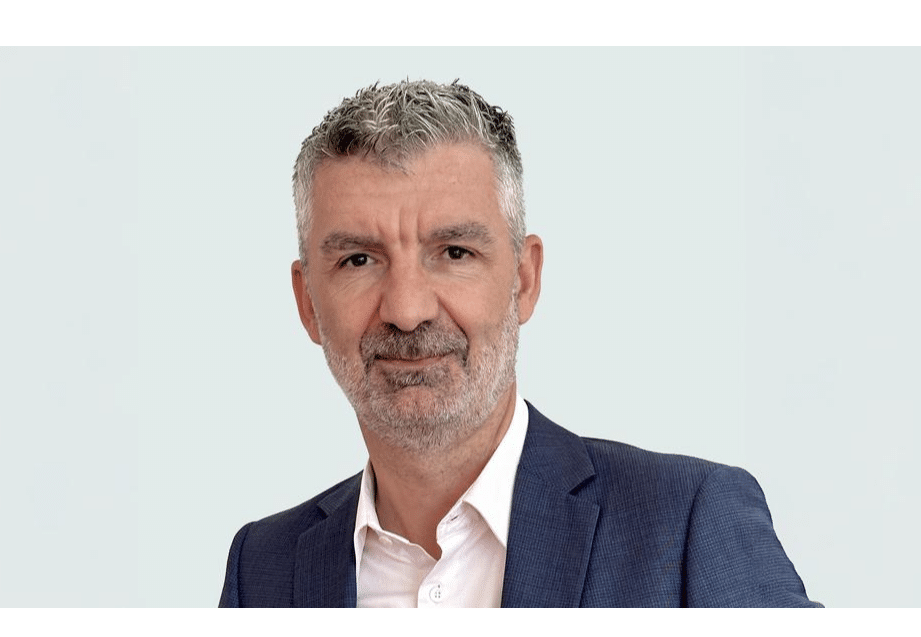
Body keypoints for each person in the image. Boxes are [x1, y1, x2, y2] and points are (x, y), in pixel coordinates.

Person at [219, 79, 821, 608]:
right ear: (307, 302)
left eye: (454, 252)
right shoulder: (262, 570)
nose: (406, 310)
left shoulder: (687, 524)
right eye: (358, 259)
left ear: (524, 280)